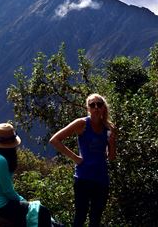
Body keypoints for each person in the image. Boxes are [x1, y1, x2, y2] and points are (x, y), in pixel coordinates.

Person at [49, 93, 116, 227]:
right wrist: (76, 158)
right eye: (92, 105)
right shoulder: (82, 123)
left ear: (104, 107)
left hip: (101, 179)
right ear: (88, 108)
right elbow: (55, 140)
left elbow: (111, 157)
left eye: (99, 104)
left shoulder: (109, 128)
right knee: (80, 216)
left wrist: (112, 142)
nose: (96, 107)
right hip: (83, 178)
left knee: (96, 218)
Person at [0, 123, 53, 227]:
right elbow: (7, 191)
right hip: (2, 204)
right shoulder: (1, 161)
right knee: (42, 211)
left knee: (41, 211)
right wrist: (22, 200)